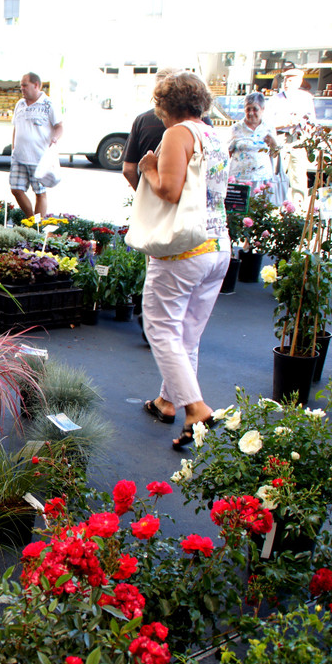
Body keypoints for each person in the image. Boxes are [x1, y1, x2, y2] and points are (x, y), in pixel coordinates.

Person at [135, 71, 230, 450]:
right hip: (217, 246)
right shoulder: (213, 135)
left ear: (164, 104)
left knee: (161, 328)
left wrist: (148, 168)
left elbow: (170, 191)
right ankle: (168, 401)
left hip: (183, 250)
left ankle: (196, 408)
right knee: (187, 335)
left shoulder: (178, 133)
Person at [10, 72, 63, 217]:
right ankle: (32, 219)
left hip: (39, 157)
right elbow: (16, 127)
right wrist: (13, 147)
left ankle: (37, 226)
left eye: (25, 85)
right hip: (19, 156)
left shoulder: (48, 104)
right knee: (16, 189)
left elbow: (59, 126)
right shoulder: (20, 104)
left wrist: (55, 138)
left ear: (36, 85)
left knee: (40, 192)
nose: (22, 88)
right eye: (21, 86)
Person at [123, 68, 180, 190]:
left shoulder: (142, 120)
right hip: (186, 197)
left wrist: (142, 192)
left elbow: (128, 169)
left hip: (152, 193)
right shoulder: (200, 122)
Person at [267, 68, 316, 204]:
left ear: (299, 82)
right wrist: (286, 122)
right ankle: (274, 204)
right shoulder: (275, 99)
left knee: (298, 173)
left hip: (298, 138)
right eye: (285, 80)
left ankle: (298, 206)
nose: (286, 83)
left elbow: (312, 120)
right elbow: (267, 123)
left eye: (290, 80)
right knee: (277, 172)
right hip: (280, 137)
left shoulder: (306, 98)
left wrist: (305, 124)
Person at [228, 92, 279, 183]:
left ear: (262, 109)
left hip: (262, 178)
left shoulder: (268, 128)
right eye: (248, 109)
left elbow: (274, 155)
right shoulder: (236, 128)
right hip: (239, 179)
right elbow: (227, 153)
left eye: (255, 109)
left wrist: (274, 144)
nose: (251, 113)